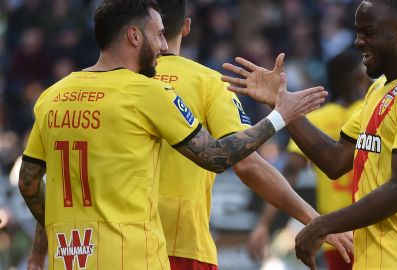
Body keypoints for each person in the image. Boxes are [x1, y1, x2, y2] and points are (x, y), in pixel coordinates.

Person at [18, 1, 329, 269]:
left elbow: (29, 182)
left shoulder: (52, 96)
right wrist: (280, 116)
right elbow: (218, 156)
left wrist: (47, 241)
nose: (164, 46)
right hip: (138, 254)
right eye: (158, 35)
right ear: (134, 35)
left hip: (69, 256)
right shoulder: (150, 91)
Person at [222, 0, 397, 269]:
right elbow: (334, 160)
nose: (358, 42)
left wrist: (322, 224)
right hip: (374, 258)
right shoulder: (379, 89)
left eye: (369, 33)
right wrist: (280, 103)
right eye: (357, 32)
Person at [151, 1, 352, 269]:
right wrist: (316, 220)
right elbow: (247, 164)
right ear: (187, 27)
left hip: (117, 244)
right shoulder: (209, 82)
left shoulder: (113, 85)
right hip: (181, 244)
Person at [247, 49, 370, 270]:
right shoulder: (374, 112)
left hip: (337, 237)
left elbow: (289, 173)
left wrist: (263, 225)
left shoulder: (314, 121)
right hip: (374, 231)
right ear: (361, 76)